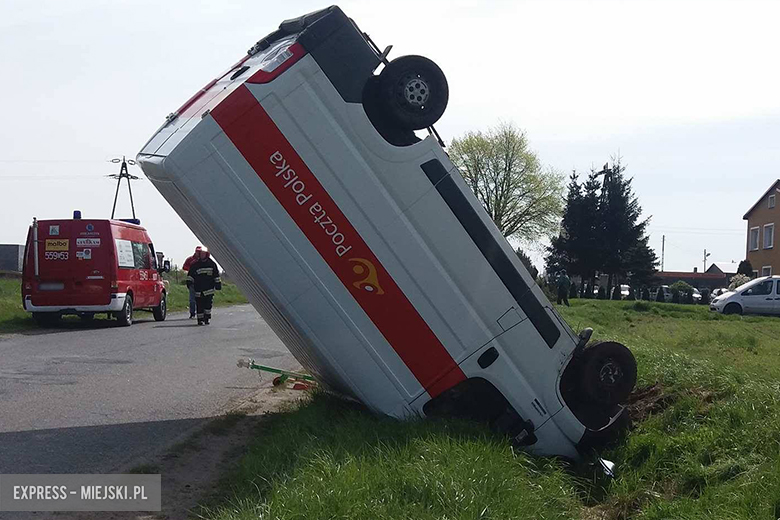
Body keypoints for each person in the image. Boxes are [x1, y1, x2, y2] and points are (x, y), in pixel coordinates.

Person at [186, 247, 221, 325]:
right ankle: (200, 319)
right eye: (201, 254)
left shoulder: (212, 264)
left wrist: (218, 284)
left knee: (208, 305)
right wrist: (189, 282)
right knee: (199, 305)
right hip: (198, 289)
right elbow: (190, 275)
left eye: (203, 254)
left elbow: (216, 275)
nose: (202, 255)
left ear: (206, 254)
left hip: (209, 289)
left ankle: (206, 318)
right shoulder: (195, 264)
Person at [182, 246, 202, 319]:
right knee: (192, 300)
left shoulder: (203, 260)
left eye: (200, 252)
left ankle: (200, 312)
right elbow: (184, 267)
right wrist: (191, 269)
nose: (198, 253)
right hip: (192, 282)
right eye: (197, 251)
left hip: (201, 283)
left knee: (201, 299)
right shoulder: (190, 259)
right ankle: (192, 313)